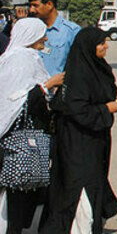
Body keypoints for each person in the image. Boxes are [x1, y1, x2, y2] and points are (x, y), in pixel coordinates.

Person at [41, 28, 117, 233]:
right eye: (101, 43)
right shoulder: (78, 75)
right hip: (76, 143)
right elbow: (77, 110)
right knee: (79, 193)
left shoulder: (97, 68)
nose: (106, 46)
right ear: (89, 47)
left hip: (93, 140)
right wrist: (106, 109)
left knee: (91, 189)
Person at [0, 18, 64, 234]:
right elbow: (18, 98)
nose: (45, 39)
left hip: (11, 134)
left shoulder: (12, 57)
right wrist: (49, 85)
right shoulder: (22, 59)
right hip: (17, 137)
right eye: (41, 34)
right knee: (17, 190)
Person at [28, 0, 80, 77]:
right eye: (30, 6)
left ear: (49, 5)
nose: (31, 10)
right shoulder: (31, 30)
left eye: (35, 6)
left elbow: (78, 64)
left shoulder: (71, 31)